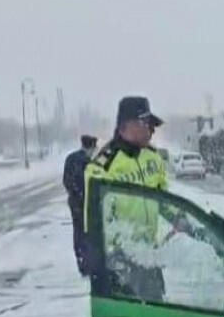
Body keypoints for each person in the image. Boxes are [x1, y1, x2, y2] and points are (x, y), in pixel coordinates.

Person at [84, 96, 170, 299]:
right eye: (147, 124)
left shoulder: (153, 158)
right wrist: (117, 262)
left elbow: (164, 200)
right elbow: (97, 227)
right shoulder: (103, 167)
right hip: (121, 267)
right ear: (127, 126)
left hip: (150, 259)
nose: (152, 130)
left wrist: (183, 220)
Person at [63, 134, 98, 275]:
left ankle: (82, 263)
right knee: (88, 234)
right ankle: (89, 263)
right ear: (91, 147)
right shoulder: (89, 163)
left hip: (75, 203)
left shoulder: (70, 158)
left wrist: (74, 194)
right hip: (87, 203)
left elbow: (66, 180)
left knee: (78, 233)